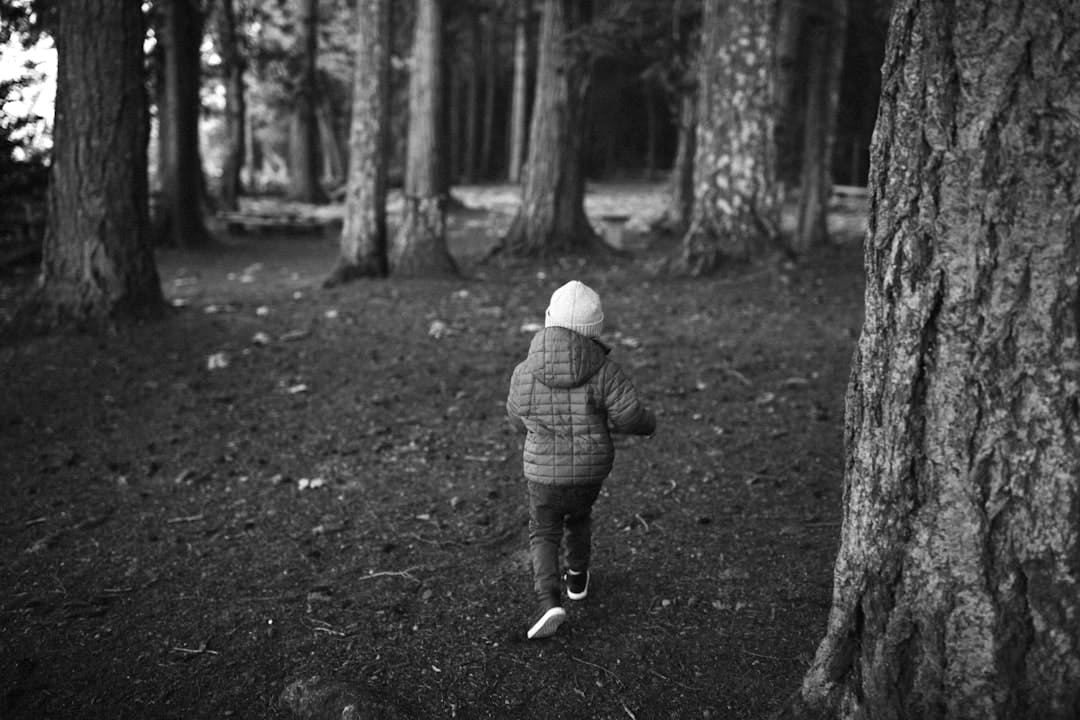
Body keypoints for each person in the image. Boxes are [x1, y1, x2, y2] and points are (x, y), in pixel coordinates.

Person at [506, 280, 657, 640]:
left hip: (542, 473)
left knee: (543, 531)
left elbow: (515, 416)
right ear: (596, 329)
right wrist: (649, 425)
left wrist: (532, 427)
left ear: (548, 320)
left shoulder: (525, 371)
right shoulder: (604, 371)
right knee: (578, 517)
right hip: (589, 472)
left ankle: (548, 602)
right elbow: (630, 415)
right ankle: (577, 579)